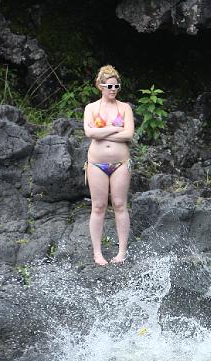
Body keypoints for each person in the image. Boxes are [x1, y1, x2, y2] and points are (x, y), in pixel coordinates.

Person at [83, 65, 134, 265]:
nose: (113, 89)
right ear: (100, 86)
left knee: (120, 204)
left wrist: (102, 131)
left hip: (121, 163)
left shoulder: (125, 108)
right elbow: (89, 133)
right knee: (99, 206)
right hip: (96, 163)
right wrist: (115, 128)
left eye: (116, 85)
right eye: (109, 85)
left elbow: (128, 134)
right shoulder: (91, 108)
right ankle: (97, 253)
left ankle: (122, 251)